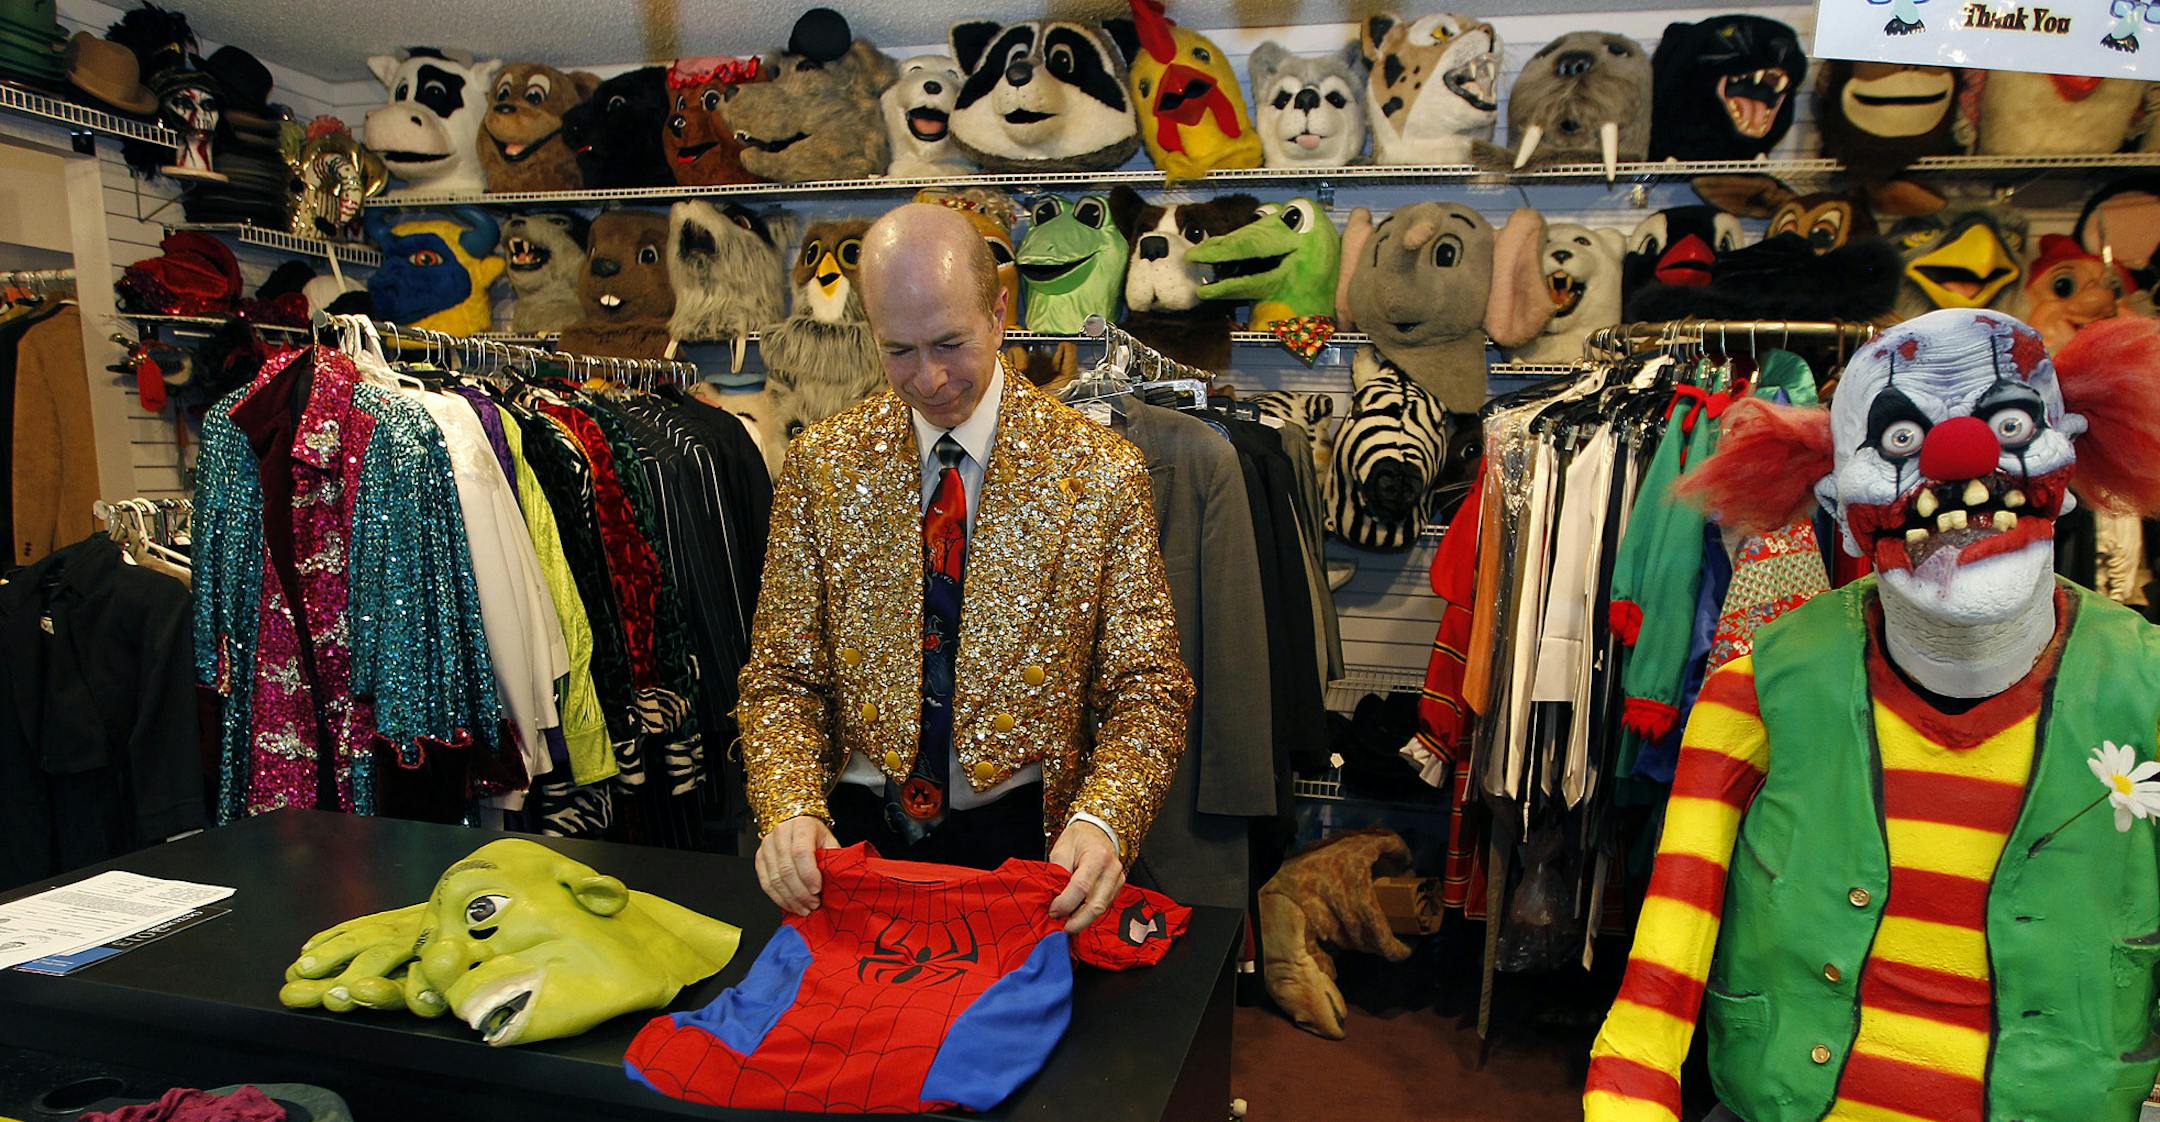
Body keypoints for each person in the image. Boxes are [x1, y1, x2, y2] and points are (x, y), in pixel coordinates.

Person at [741, 202, 1194, 935]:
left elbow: (1149, 686)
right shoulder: (821, 464)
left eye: (950, 342)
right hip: (853, 842)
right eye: (898, 351)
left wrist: (1105, 818)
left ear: (1000, 310)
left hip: (1028, 845)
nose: (929, 378)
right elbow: (781, 678)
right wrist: (790, 802)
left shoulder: (1101, 471)